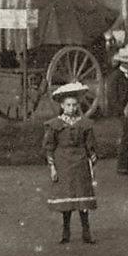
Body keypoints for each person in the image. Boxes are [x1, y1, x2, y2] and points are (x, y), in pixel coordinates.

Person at [43, 82, 98, 244]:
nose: (72, 108)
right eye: (68, 105)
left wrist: (92, 160)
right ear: (62, 105)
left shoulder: (84, 123)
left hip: (80, 161)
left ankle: (86, 232)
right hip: (63, 162)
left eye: (74, 105)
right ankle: (65, 232)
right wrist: (52, 167)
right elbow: (49, 147)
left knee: (82, 198)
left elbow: (91, 145)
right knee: (66, 197)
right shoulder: (55, 125)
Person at [114, 60, 128, 175]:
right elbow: (113, 95)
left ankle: (126, 165)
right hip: (122, 110)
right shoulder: (116, 76)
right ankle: (122, 166)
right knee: (125, 138)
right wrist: (120, 110)